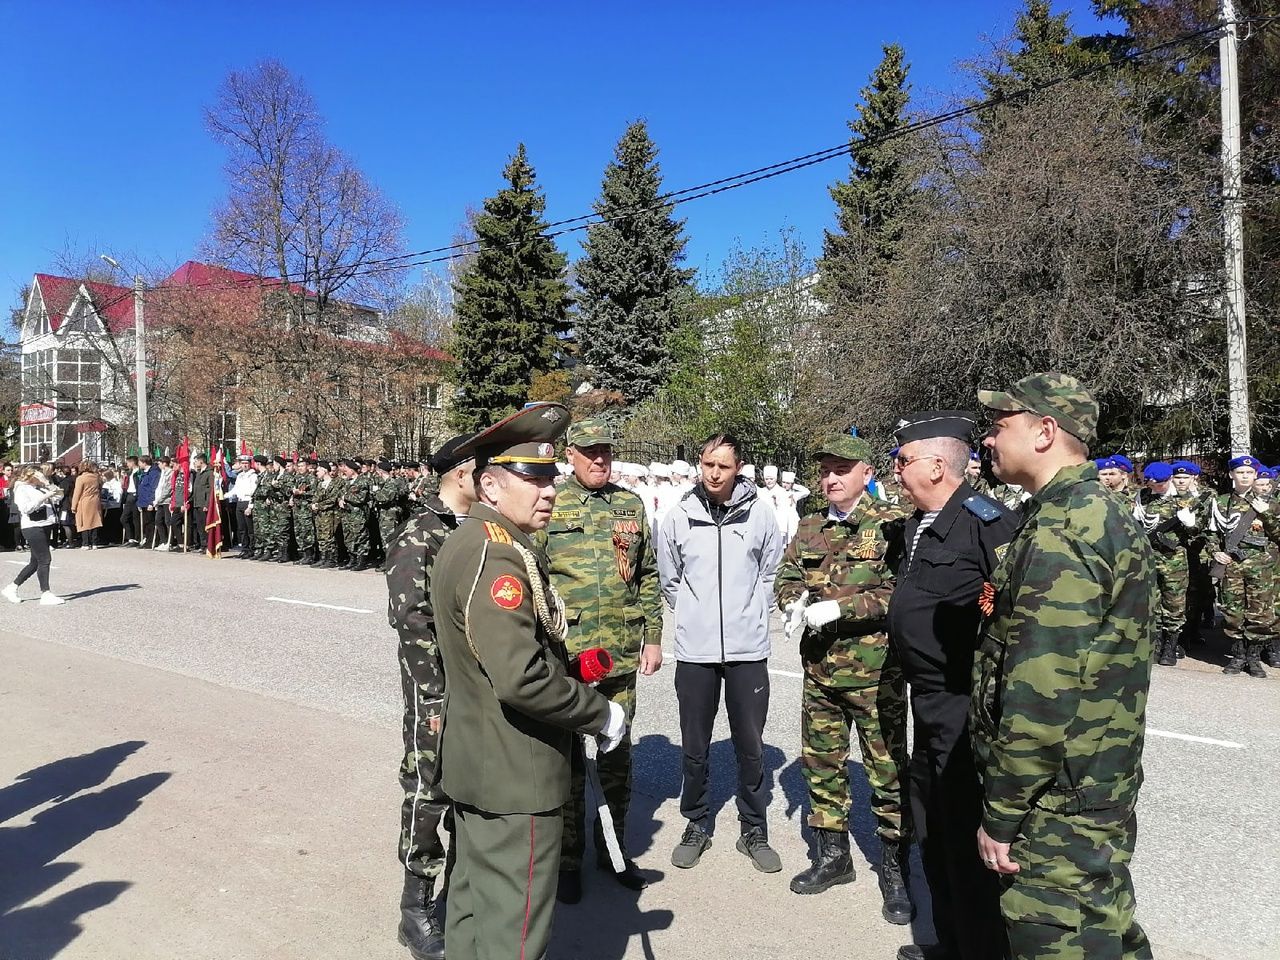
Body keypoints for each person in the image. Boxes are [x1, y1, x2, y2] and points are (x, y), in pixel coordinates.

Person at [431, 402, 625, 960]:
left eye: (550, 477)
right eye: (533, 477)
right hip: (517, 776)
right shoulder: (497, 557)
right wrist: (601, 713)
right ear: (490, 485)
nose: (549, 490)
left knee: (472, 917)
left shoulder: (477, 542)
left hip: (480, 767)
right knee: (513, 938)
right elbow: (522, 680)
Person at [974, 372, 1156, 959]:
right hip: (1092, 781)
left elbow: (1042, 694)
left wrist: (1001, 813)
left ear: (1045, 431)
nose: (989, 439)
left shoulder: (1064, 527)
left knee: (1060, 936)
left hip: (1057, 801)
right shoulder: (1093, 510)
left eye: (1000, 426)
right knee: (1105, 926)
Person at [884, 412, 1019, 960]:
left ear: (938, 466)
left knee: (966, 836)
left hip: (964, 706)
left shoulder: (987, 523)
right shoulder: (920, 521)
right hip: (928, 702)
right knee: (933, 828)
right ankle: (951, 942)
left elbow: (1013, 623)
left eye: (903, 460)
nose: (895, 472)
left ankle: (980, 950)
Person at [774, 433, 914, 925]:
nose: (831, 478)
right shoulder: (810, 524)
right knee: (823, 765)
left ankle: (896, 871)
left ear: (866, 473)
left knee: (889, 773)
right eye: (825, 470)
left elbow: (901, 594)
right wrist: (792, 601)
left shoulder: (892, 525)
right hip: (821, 673)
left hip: (877, 676)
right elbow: (787, 574)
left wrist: (841, 607)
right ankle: (833, 857)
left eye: (841, 469)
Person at [540, 417, 663, 902]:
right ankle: (567, 859)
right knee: (568, 761)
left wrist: (653, 636)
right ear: (570, 454)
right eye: (589, 451)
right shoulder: (552, 504)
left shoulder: (629, 504)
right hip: (569, 656)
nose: (599, 459)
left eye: (606, 451)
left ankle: (613, 852)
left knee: (615, 759)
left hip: (620, 654)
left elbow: (647, 574)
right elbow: (535, 575)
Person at [656, 433, 785, 874]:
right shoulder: (678, 517)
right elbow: (669, 578)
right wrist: (697, 614)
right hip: (696, 650)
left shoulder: (760, 514)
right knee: (695, 745)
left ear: (738, 468)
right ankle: (696, 822)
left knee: (750, 745)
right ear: (699, 463)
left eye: (723, 466)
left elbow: (770, 571)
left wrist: (748, 612)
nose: (714, 473)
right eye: (708, 464)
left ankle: (753, 827)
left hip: (748, 648)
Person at [385, 433, 477, 960]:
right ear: (461, 474)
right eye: (481, 469)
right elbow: (412, 624)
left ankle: (461, 894)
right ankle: (415, 908)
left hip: (475, 689)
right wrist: (437, 699)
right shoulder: (420, 535)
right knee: (428, 791)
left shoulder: (472, 530)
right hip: (436, 695)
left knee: (468, 789)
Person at [1209, 454, 1280, 678]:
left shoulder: (1270, 503)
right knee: (1232, 612)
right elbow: (1211, 533)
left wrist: (1267, 514)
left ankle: (1254, 658)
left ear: (1256, 475)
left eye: (1250, 473)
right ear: (1232, 475)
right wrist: (1215, 551)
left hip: (1261, 566)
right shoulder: (1221, 502)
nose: (1245, 476)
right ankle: (1237, 656)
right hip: (1232, 566)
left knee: (1260, 613)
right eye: (1240, 472)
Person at [1132, 462, 1201, 668]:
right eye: (1154, 485)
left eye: (1161, 484)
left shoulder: (1185, 498)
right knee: (1151, 600)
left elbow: (1198, 534)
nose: (1157, 488)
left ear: (1168, 479)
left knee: (1174, 601)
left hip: (1174, 559)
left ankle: (1171, 644)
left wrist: (1190, 524)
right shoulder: (1143, 496)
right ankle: (1156, 642)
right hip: (1148, 555)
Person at [2, 465, 67, 605]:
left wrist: (48, 484)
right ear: (31, 476)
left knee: (35, 562)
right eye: (39, 475)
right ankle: (46, 593)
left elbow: (60, 496)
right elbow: (26, 508)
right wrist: (45, 497)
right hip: (32, 527)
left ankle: (12, 587)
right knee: (45, 559)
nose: (41, 477)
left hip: (45, 524)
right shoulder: (21, 488)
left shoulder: (42, 486)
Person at [72, 461, 104, 550]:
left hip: (84, 501)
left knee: (84, 522)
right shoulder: (96, 477)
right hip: (95, 500)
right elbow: (100, 488)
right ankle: (94, 543)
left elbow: (77, 493)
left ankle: (85, 543)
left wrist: (73, 506)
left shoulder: (80, 478)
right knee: (95, 521)